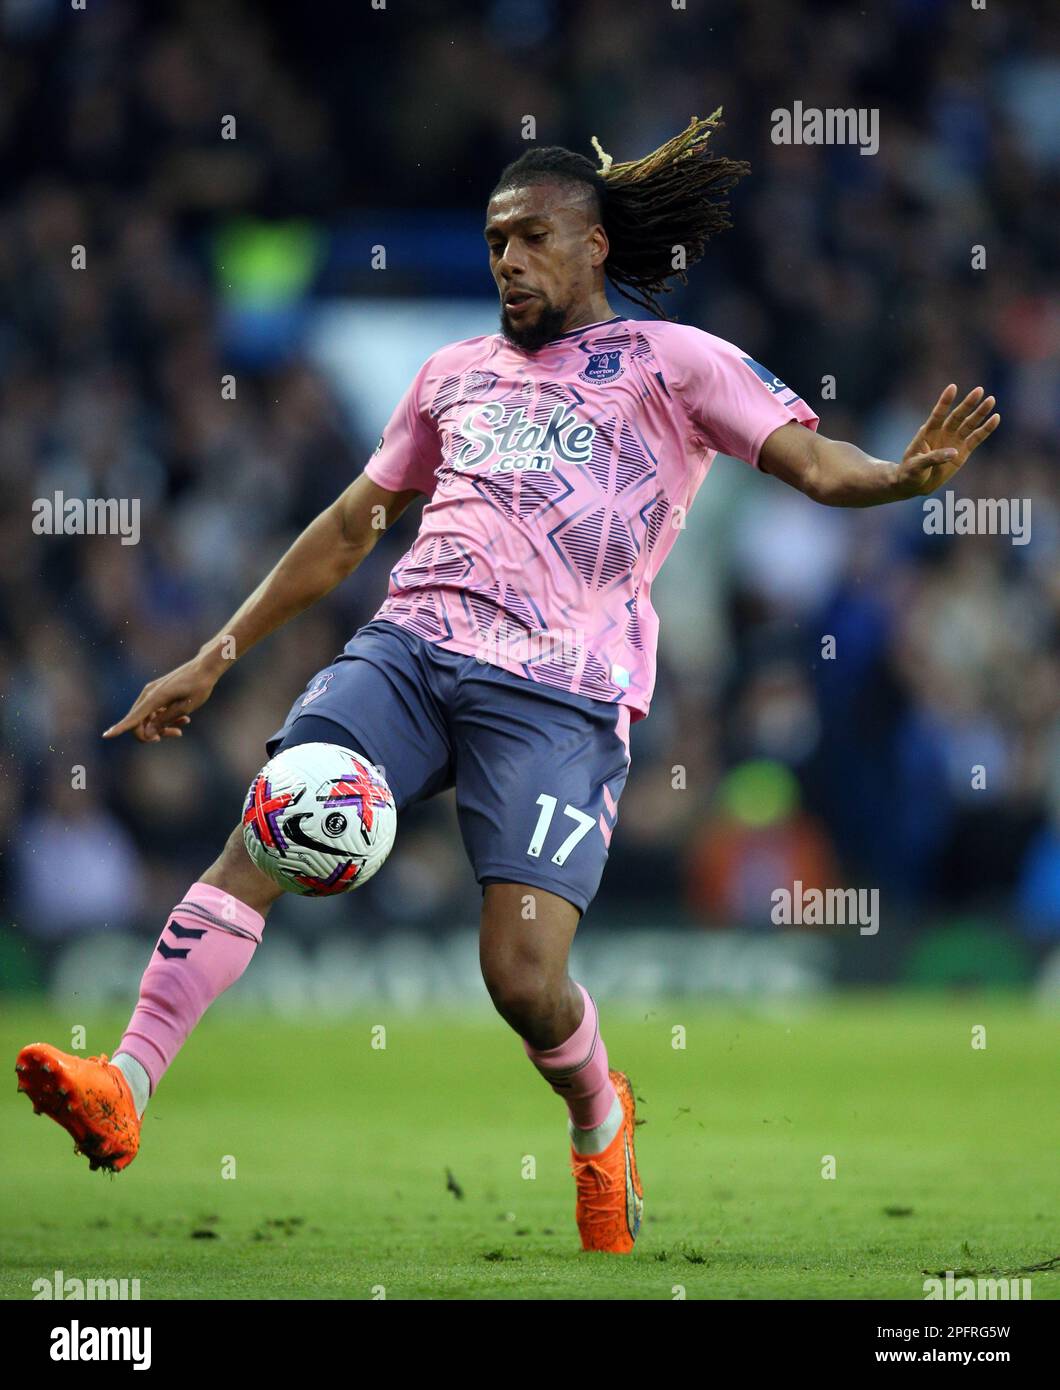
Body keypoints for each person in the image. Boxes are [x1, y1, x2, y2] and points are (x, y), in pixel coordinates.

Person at [15, 114, 999, 1255]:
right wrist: (214, 652)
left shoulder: (675, 363)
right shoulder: (452, 375)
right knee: (279, 818)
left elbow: (815, 466)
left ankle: (599, 1114)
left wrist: (902, 477)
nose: (507, 263)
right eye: (493, 243)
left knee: (521, 977)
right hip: (411, 651)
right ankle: (126, 1085)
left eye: (531, 239)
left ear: (590, 246)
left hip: (561, 696)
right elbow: (348, 530)